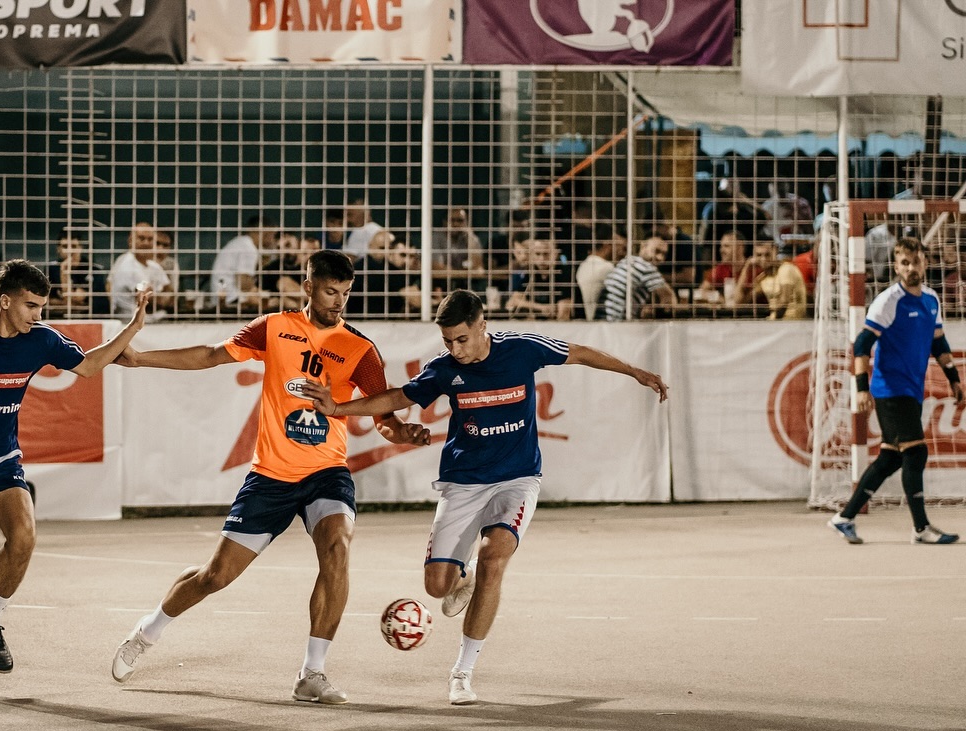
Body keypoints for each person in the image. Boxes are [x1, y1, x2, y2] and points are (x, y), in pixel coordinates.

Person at [300, 288, 668, 705]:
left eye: (462, 339)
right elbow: (398, 397)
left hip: (517, 479)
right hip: (463, 482)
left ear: (482, 326)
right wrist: (338, 409)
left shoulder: (522, 350)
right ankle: (463, 576)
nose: (455, 349)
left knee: (494, 560)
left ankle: (462, 673)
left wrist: (634, 371)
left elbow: (580, 353)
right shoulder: (444, 368)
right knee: (437, 587)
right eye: (447, 341)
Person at [109, 248, 431, 704]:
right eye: (330, 292)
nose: (339, 301)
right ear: (308, 287)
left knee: (337, 549)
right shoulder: (275, 328)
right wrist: (141, 359)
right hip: (272, 475)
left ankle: (312, 673)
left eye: (345, 293)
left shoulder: (360, 349)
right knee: (215, 576)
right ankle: (147, 632)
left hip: (326, 472)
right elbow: (209, 355)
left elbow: (383, 416)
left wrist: (403, 433)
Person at [0, 261, 154, 682]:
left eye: (41, 307)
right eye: (30, 306)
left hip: (0, 461)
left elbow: (89, 365)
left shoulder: (41, 339)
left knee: (24, 538)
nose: (38, 315)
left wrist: (133, 327)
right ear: (5, 301)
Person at [829, 237, 964, 546]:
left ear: (925, 262)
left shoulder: (931, 299)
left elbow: (938, 342)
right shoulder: (889, 301)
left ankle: (844, 518)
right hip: (890, 388)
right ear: (896, 266)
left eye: (916, 262)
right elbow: (862, 344)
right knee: (916, 452)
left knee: (890, 458)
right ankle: (921, 528)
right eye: (905, 263)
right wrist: (861, 388)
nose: (911, 268)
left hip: (912, 389)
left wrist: (954, 379)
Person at [210, 215, 280, 313]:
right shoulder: (248, 248)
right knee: (275, 303)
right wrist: (263, 295)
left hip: (223, 297)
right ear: (265, 233)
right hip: (230, 299)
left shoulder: (241, 242)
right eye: (273, 235)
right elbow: (243, 284)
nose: (274, 240)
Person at [601, 234, 677, 320]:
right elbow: (669, 300)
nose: (660, 258)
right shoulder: (645, 267)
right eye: (657, 251)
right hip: (617, 322)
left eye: (664, 254)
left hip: (603, 319)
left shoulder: (627, 261)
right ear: (643, 246)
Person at [108, 221, 170, 319]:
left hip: (151, 319)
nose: (146, 243)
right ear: (130, 241)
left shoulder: (153, 266)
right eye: (141, 238)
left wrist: (163, 297)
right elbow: (147, 300)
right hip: (130, 321)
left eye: (150, 239)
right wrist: (162, 298)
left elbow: (170, 290)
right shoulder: (127, 263)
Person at [47, 227, 109, 318]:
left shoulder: (94, 270)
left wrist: (64, 272)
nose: (70, 251)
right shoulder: (51, 269)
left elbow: (74, 299)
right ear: (58, 249)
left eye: (74, 246)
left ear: (80, 248)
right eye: (65, 246)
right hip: (59, 320)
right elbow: (45, 302)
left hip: (91, 320)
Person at [738, 239, 808, 319]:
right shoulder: (763, 277)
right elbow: (741, 303)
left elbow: (784, 302)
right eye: (759, 255)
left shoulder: (786, 268)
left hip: (792, 322)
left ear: (775, 252)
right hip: (776, 321)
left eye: (767, 255)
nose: (763, 259)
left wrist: (771, 321)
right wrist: (746, 267)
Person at [577, 223, 624, 320]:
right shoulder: (606, 267)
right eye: (616, 243)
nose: (619, 249)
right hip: (596, 320)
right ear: (607, 243)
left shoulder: (584, 264)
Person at [431, 207, 487, 283]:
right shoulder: (436, 237)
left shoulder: (471, 237)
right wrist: (465, 273)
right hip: (441, 282)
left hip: (464, 282)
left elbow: (479, 270)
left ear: (466, 223)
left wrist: (470, 239)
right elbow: (438, 269)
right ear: (444, 222)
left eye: (460, 220)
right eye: (452, 220)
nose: (456, 224)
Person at [342, 197, 383, 262]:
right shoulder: (377, 228)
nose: (347, 219)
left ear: (363, 214)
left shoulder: (362, 231)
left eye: (350, 215)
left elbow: (348, 260)